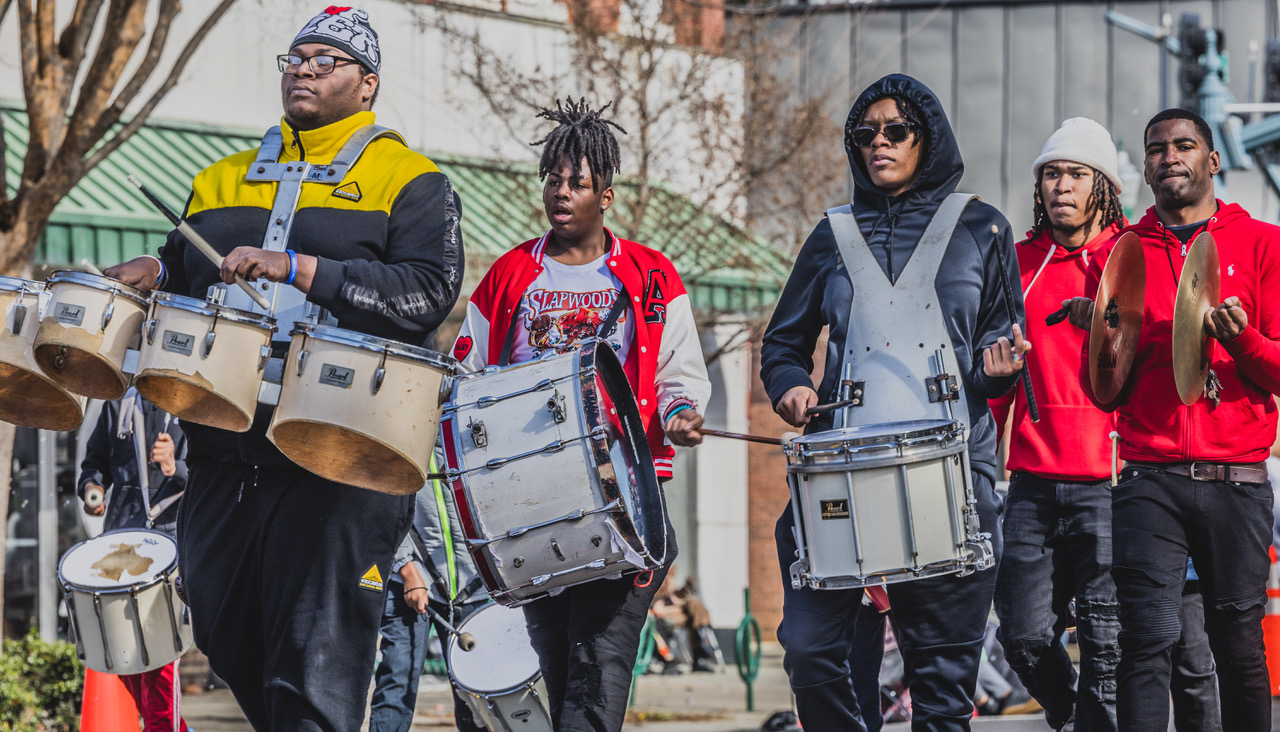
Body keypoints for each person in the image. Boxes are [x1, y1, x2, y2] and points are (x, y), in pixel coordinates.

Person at [103, 7, 465, 729]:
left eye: (325, 59)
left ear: (367, 84)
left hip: (343, 449)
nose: (302, 68)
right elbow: (185, 276)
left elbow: (429, 290)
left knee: (317, 662)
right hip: (226, 447)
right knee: (220, 624)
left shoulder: (411, 179)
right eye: (295, 58)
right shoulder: (218, 178)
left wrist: (303, 269)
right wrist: (151, 270)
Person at [760, 73, 1027, 730]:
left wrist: (999, 373)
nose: (878, 143)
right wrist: (790, 384)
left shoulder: (983, 229)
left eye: (895, 130)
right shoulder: (831, 235)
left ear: (925, 137)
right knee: (808, 650)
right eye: (864, 134)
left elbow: (1002, 336)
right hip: (842, 474)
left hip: (954, 473)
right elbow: (783, 343)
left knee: (940, 686)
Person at [451, 98, 711, 732]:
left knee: (599, 664)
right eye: (553, 180)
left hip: (622, 502)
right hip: (530, 509)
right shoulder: (512, 274)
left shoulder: (650, 275)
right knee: (560, 669)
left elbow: (679, 374)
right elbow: (468, 372)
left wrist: (678, 413)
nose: (561, 193)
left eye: (579, 182)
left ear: (608, 196)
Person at [1065, 108, 1279, 732]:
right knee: (1146, 640)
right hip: (1148, 476)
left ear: (1213, 161)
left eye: (1184, 146)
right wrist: (1101, 338)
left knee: (1237, 645)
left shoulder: (1265, 244)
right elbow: (1105, 390)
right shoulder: (1122, 253)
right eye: (1156, 149)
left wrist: (1243, 344)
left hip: (1236, 479)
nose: (1169, 157)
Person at [988, 117, 1126, 731]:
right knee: (1020, 633)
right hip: (1032, 483)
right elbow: (991, 385)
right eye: (1050, 174)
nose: (1060, 186)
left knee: (1107, 641)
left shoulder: (1135, 260)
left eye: (1075, 174)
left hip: (1114, 482)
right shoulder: (1016, 265)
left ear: (1104, 186)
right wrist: (977, 465)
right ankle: (1070, 716)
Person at [77, 391, 189, 732]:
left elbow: (215, 475)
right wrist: (91, 489)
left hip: (166, 551)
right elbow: (94, 464)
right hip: (121, 551)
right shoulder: (118, 404)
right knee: (125, 661)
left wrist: (175, 466)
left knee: (158, 663)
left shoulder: (192, 403)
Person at [370, 463, 486, 732]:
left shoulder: (466, 430)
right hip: (409, 580)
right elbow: (381, 505)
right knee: (397, 681)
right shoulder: (404, 434)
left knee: (476, 691)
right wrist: (406, 568)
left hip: (473, 586)